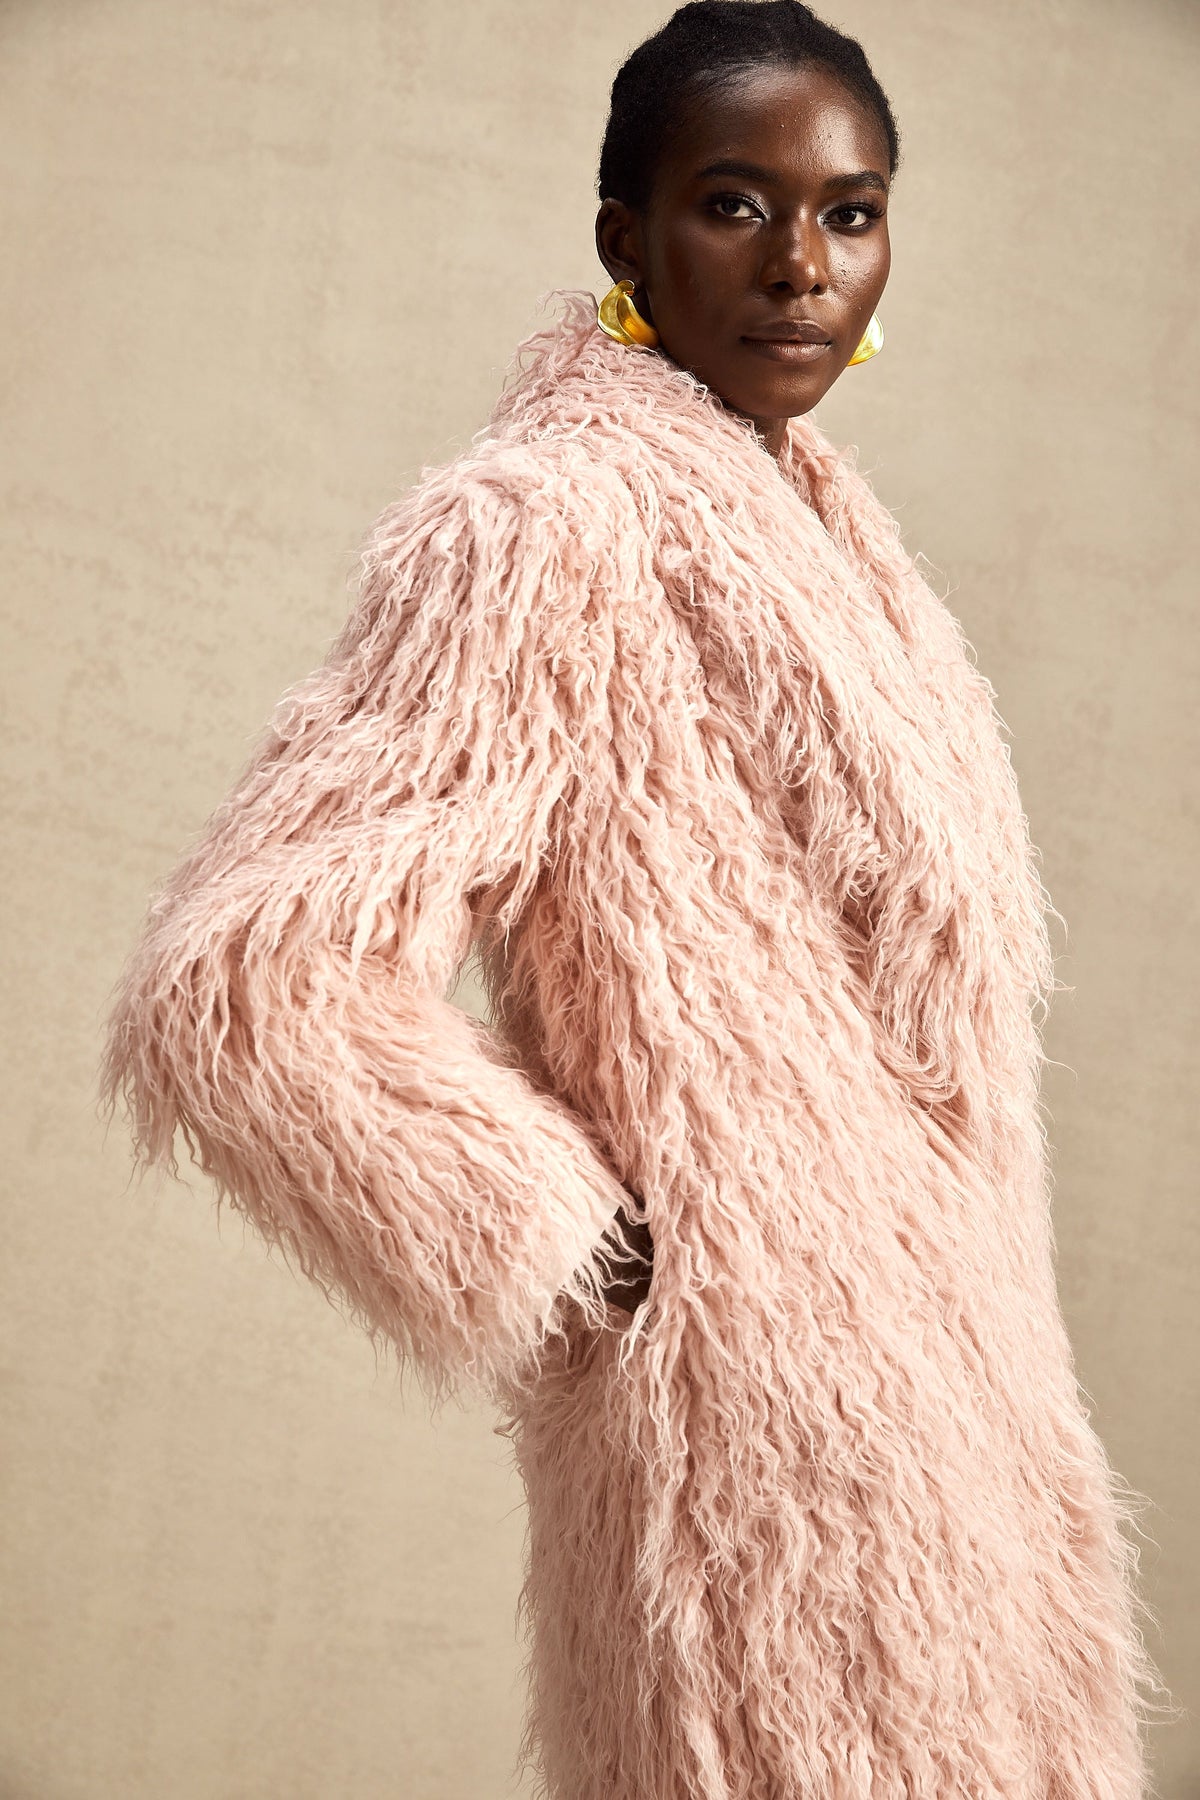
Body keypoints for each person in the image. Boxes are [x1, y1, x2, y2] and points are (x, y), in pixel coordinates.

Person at [99, 3, 1170, 1795]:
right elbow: (251, 984)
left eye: (850, 212)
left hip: (979, 1437)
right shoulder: (541, 532)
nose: (802, 266)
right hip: (759, 1453)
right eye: (735, 205)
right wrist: (584, 1246)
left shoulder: (829, 534)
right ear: (626, 239)